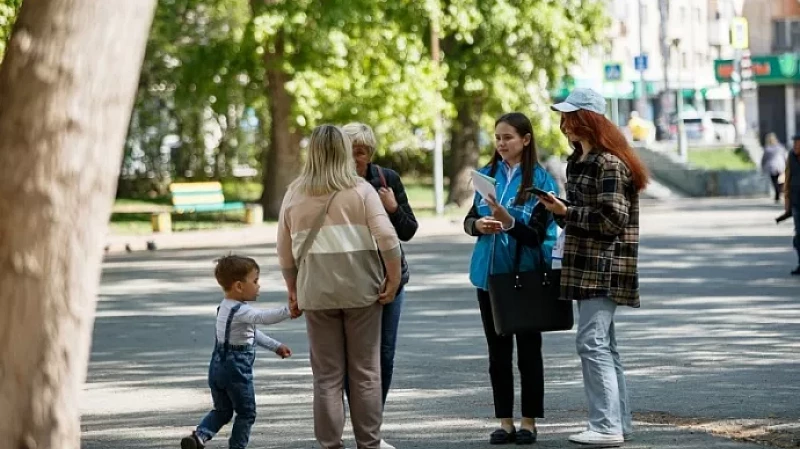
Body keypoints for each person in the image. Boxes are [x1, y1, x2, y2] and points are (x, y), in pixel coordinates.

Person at [277, 124, 402, 449]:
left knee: (327, 378)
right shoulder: (361, 190)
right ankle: (369, 444)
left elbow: (284, 250)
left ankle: (331, 445)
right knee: (365, 374)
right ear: (344, 153)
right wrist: (393, 278)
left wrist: (293, 289)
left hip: (316, 294)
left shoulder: (294, 193)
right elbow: (388, 239)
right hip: (363, 292)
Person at [539, 88, 649, 447]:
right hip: (586, 263)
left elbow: (612, 219)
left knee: (593, 343)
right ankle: (618, 423)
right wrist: (561, 210)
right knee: (603, 345)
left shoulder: (608, 163)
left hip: (604, 266)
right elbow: (587, 215)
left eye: (572, 117)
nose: (565, 124)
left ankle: (606, 426)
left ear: (590, 119)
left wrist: (566, 212)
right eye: (564, 117)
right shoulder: (580, 161)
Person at [463, 112, 559, 446]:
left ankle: (529, 422)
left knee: (529, 352)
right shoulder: (486, 174)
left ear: (526, 140)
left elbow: (538, 235)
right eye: (498, 138)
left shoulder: (543, 182)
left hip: (526, 275)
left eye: (509, 138)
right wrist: (478, 225)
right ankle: (504, 422)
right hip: (489, 276)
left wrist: (507, 222)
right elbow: (470, 218)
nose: (502, 144)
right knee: (497, 353)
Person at [342, 122, 418, 449]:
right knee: (353, 358)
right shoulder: (333, 184)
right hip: (350, 280)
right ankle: (358, 424)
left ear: (370, 153)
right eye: (349, 152)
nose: (356, 159)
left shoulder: (387, 180)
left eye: (361, 152)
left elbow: (408, 230)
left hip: (390, 278)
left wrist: (393, 208)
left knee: (383, 358)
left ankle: (372, 429)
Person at [180, 255, 295, 449]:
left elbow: (252, 333)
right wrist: (289, 310)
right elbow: (262, 317)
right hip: (236, 369)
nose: (259, 286)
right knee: (246, 412)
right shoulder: (242, 311)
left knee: (222, 410)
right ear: (239, 286)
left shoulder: (225, 307)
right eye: (255, 281)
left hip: (217, 366)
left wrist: (275, 346)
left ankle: (199, 436)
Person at [783, 135, 800, 275]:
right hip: (796, 202)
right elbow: (787, 177)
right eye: (794, 143)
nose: (795, 146)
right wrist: (787, 201)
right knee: (798, 235)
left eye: (797, 143)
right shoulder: (791, 156)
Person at [762, 133, 788, 203]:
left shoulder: (767, 148)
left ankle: (777, 195)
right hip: (781, 166)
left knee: (774, 182)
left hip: (772, 167)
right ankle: (779, 193)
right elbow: (785, 156)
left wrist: (762, 166)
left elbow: (764, 159)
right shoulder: (780, 147)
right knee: (780, 181)